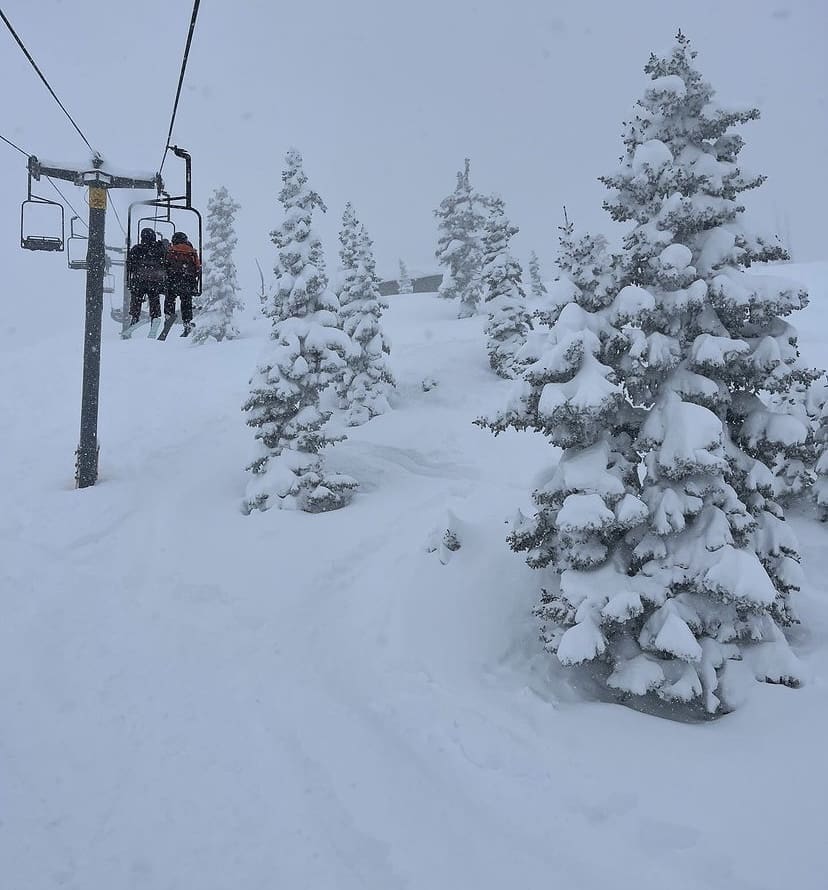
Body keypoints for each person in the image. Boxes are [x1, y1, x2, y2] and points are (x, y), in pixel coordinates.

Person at [125, 228, 167, 335]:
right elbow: (166, 263)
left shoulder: (137, 249)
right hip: (155, 281)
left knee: (136, 297)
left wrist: (135, 272)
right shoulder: (159, 249)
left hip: (139, 280)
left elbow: (130, 264)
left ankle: (135, 317)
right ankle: (155, 318)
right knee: (154, 299)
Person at [165, 231, 201, 337]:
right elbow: (197, 267)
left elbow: (166, 264)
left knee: (170, 297)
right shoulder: (192, 252)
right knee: (186, 301)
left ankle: (169, 315)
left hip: (173, 281)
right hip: (188, 282)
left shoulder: (171, 250)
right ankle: (187, 322)